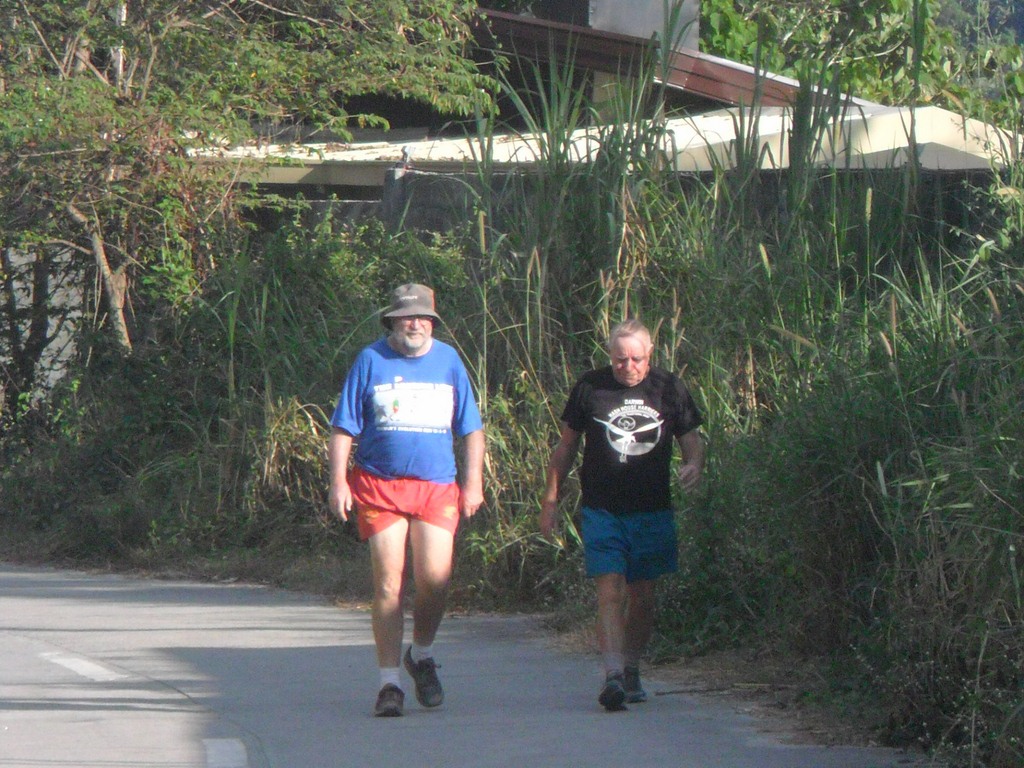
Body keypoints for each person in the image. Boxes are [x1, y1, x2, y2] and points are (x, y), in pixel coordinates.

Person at [328, 283, 485, 717]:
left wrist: (473, 482)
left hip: (436, 486)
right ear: (392, 322)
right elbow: (344, 427)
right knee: (388, 584)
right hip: (380, 485)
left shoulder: (449, 361)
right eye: (405, 317)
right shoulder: (371, 359)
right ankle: (389, 684)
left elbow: (471, 429)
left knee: (435, 580)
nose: (414, 324)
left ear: (432, 322)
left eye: (422, 318)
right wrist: (338, 482)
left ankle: (422, 654)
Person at [540, 318, 704, 711]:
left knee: (642, 596)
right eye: (619, 359)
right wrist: (550, 500)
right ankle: (612, 675)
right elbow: (566, 447)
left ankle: (631, 667)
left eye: (635, 359)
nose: (627, 366)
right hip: (602, 509)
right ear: (609, 356)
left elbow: (692, 439)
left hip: (651, 510)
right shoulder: (590, 387)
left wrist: (694, 464)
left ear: (650, 355)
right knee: (610, 589)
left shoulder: (669, 388)